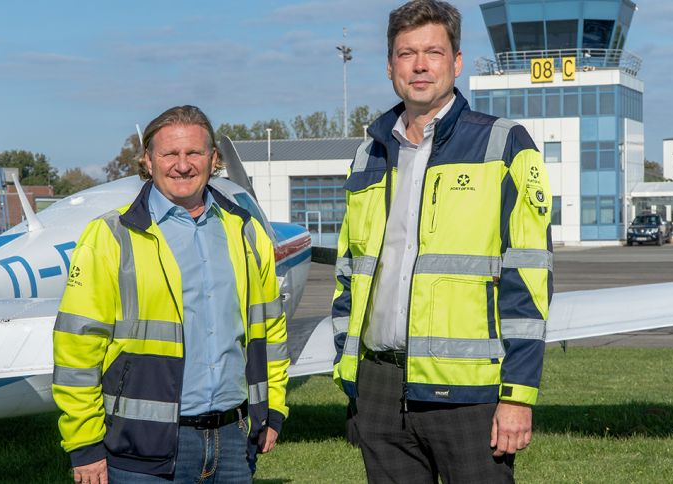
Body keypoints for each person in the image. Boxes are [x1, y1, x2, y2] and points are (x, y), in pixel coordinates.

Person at [331, 1, 553, 482]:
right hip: (379, 387)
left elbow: (529, 280)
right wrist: (347, 362)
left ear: (456, 62)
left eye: (433, 52)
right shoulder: (370, 153)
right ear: (390, 65)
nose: (420, 65)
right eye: (406, 53)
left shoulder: (504, 145)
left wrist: (517, 395)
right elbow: (350, 269)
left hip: (469, 395)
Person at [52, 105, 289, 483]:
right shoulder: (111, 235)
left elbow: (271, 329)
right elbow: (76, 348)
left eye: (194, 152)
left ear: (213, 159)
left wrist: (272, 409)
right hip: (140, 447)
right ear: (148, 160)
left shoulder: (246, 231)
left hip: (232, 441)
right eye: (169, 154)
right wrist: (84, 444)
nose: (182, 165)